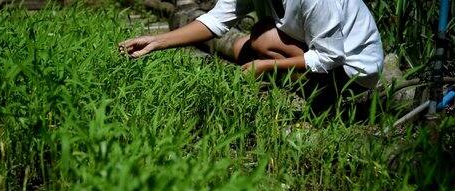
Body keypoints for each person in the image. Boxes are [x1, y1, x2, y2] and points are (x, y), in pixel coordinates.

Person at [119, 0, 385, 104]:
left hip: (353, 74)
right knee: (248, 44)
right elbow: (215, 20)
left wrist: (267, 66)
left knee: (259, 42)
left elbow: (331, 56)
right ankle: (298, 84)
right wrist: (157, 41)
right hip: (324, 54)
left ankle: (320, 99)